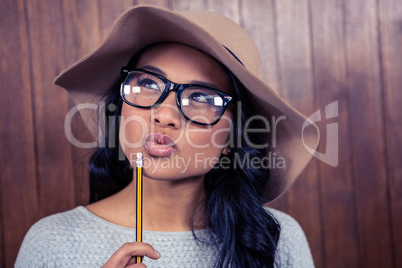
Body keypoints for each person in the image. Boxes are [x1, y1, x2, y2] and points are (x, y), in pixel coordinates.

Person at [15, 5, 319, 268]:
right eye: (147, 82)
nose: (164, 115)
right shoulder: (52, 243)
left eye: (203, 97)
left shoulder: (277, 240)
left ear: (232, 139)